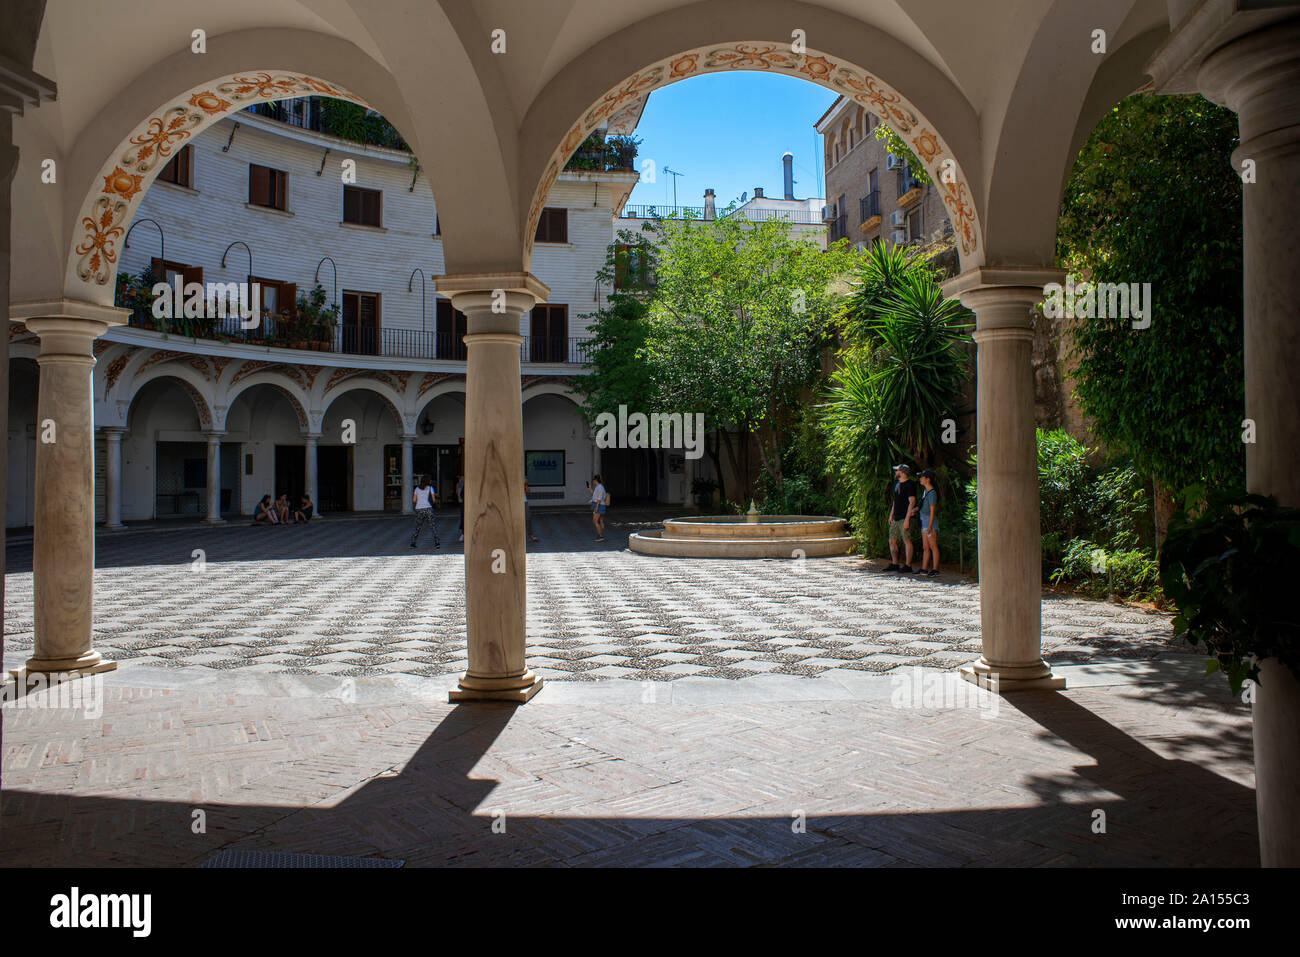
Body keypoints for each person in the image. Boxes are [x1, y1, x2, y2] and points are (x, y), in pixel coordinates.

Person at [884, 464, 918, 573]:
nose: (895, 472)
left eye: (897, 471)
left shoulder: (910, 484)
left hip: (904, 517)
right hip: (896, 517)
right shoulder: (897, 484)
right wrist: (891, 514)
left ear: (902, 472)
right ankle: (895, 563)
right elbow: (895, 501)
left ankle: (908, 565)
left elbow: (912, 502)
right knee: (892, 540)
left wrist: (907, 519)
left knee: (906, 540)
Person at [916, 469, 940, 577]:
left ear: (928, 479)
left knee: (933, 545)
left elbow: (932, 511)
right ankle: (924, 568)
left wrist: (930, 526)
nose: (920, 479)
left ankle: (935, 569)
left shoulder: (932, 493)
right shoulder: (925, 491)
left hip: (930, 522)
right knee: (925, 546)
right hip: (923, 520)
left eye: (922, 477)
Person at [410, 474, 440, 548]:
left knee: (418, 527)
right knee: (432, 526)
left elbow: (414, 500)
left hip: (419, 509)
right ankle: (437, 543)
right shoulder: (430, 488)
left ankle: (413, 543)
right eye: (430, 480)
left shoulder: (417, 489)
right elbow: (433, 499)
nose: (431, 481)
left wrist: (419, 501)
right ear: (427, 481)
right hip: (428, 508)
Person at [588, 473, 607, 542]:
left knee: (595, 521)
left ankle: (601, 536)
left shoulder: (599, 487)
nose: (593, 481)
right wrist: (590, 489)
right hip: (601, 505)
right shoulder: (600, 487)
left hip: (599, 505)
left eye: (593, 480)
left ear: (596, 480)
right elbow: (595, 495)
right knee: (600, 520)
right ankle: (601, 534)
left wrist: (596, 507)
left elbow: (598, 498)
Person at [524, 477, 539, 542]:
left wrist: (525, 484)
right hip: (515, 501)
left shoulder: (522, 480)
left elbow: (528, 491)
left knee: (528, 518)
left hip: (524, 501)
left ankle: (531, 535)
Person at [456, 473, 465, 542]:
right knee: (463, 518)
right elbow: (458, 491)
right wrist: (459, 498)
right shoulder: (461, 484)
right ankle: (463, 534)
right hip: (464, 503)